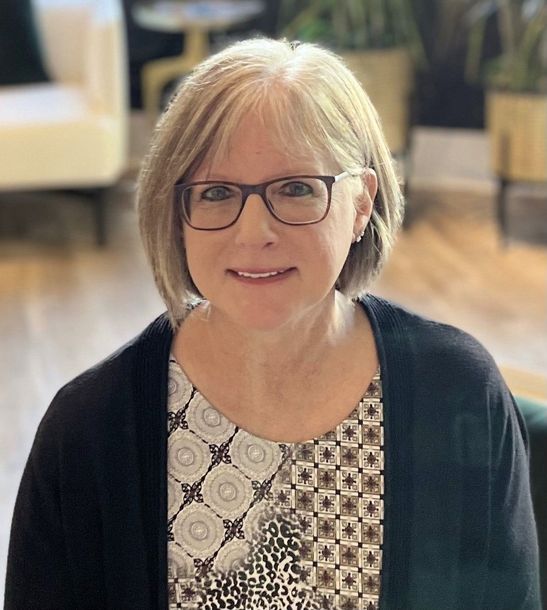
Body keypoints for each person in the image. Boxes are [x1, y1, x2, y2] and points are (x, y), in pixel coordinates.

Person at [5, 38, 540, 610]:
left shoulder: (457, 393)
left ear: (360, 203)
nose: (254, 232)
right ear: (175, 214)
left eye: (295, 188)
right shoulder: (89, 428)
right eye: (214, 193)